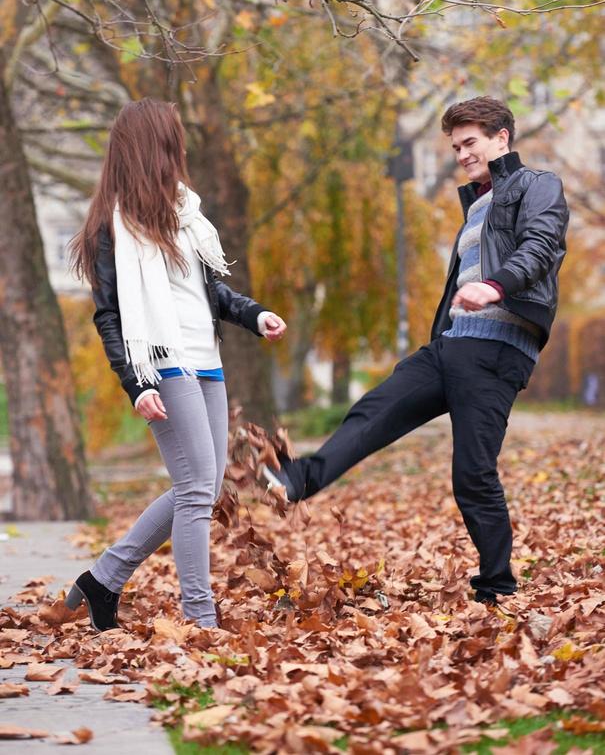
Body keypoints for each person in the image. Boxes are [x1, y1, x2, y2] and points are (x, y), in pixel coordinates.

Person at [262, 97, 568, 606]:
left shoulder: (537, 186)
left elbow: (541, 246)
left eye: (471, 143)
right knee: (374, 411)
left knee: (472, 473)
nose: (463, 154)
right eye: (456, 147)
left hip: (497, 352)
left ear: (502, 138)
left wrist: (494, 287)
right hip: (451, 345)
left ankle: (498, 586)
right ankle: (299, 478)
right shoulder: (475, 205)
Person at [67, 99, 286, 631]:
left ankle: (103, 580)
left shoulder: (186, 215)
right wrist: (135, 383)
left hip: (205, 361)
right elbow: (110, 317)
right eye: (173, 138)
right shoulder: (112, 229)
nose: (180, 148)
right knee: (194, 490)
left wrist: (255, 315)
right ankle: (199, 619)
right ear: (153, 147)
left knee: (205, 488)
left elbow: (210, 292)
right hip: (162, 367)